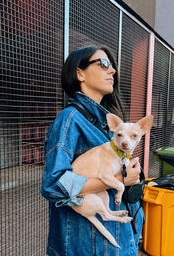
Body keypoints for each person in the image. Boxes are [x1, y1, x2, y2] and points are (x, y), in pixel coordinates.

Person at [41, 46, 144, 256]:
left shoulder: (109, 126)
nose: (112, 70)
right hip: (90, 247)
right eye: (104, 64)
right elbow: (53, 185)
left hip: (117, 240)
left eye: (112, 66)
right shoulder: (69, 120)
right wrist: (120, 180)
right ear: (80, 73)